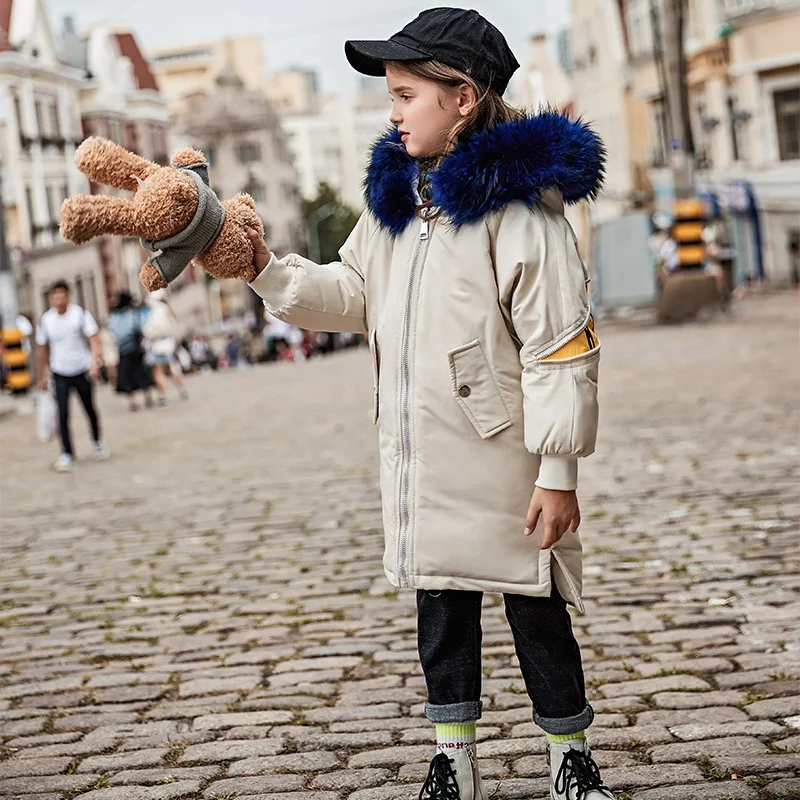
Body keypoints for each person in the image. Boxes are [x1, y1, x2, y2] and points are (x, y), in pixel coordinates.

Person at [231, 10, 611, 800]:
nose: (392, 111)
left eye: (405, 94)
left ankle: (569, 758)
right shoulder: (394, 207)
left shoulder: (523, 219)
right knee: (440, 608)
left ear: (463, 97)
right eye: (391, 96)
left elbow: (560, 349)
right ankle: (454, 760)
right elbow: (352, 292)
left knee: (536, 609)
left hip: (507, 458)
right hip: (426, 452)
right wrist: (266, 268)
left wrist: (557, 471)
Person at [35, 280, 109, 471]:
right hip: (60, 372)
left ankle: (97, 441)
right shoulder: (47, 320)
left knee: (89, 408)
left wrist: (95, 362)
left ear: (68, 296)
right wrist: (41, 375)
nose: (58, 300)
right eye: (55, 296)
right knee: (62, 414)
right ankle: (67, 452)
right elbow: (42, 349)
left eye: (62, 295)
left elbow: (93, 340)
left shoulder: (80, 315)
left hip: (82, 368)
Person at [107, 291, 153, 411]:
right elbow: (138, 328)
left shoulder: (117, 317)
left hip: (128, 350)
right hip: (130, 349)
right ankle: (141, 398)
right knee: (135, 375)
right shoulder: (131, 314)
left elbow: (114, 331)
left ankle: (138, 399)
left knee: (130, 376)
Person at [143, 289, 188, 404]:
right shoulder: (167, 309)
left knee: (159, 371)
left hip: (159, 343)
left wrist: (148, 333)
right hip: (169, 342)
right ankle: (181, 389)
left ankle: (162, 395)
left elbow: (153, 329)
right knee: (173, 368)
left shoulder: (157, 310)